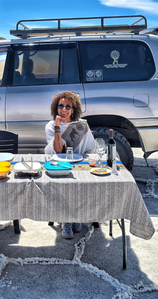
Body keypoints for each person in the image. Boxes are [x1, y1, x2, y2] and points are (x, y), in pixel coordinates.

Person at [45, 91, 95, 239]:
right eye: (61, 106)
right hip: (59, 164)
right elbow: (59, 150)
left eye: (68, 106)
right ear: (56, 108)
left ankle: (76, 216)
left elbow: (90, 148)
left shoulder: (81, 125)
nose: (64, 109)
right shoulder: (51, 126)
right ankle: (66, 221)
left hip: (79, 163)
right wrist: (58, 128)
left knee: (81, 182)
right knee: (65, 183)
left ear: (73, 110)